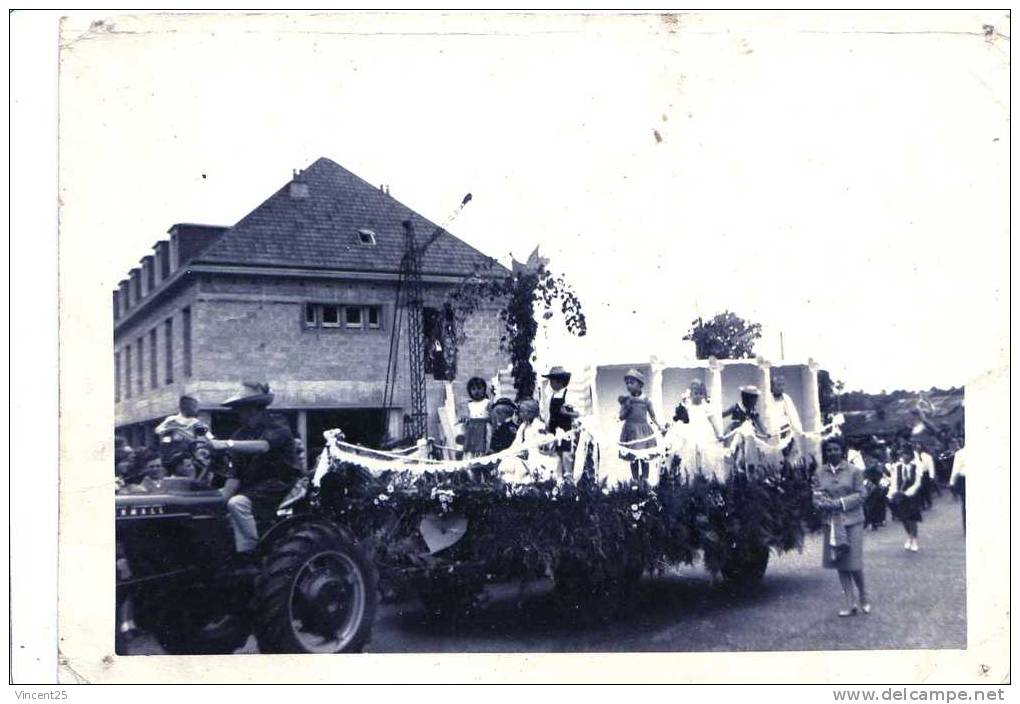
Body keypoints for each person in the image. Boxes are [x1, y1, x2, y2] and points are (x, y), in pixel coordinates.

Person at [209, 382, 301, 558]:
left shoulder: (277, 424)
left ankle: (253, 553)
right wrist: (215, 499)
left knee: (237, 504)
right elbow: (234, 478)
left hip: (282, 486)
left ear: (255, 408)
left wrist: (225, 444)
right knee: (219, 505)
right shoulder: (239, 435)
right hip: (254, 490)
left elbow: (263, 446)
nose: (239, 413)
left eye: (241, 408)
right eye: (238, 409)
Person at [812, 436, 870, 617]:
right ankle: (849, 602)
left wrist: (840, 503)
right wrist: (821, 503)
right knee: (840, 562)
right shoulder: (819, 473)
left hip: (852, 521)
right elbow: (816, 494)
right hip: (831, 522)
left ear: (842, 451)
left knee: (853, 562)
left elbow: (862, 494)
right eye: (829, 450)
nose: (832, 453)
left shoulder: (854, 471)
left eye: (836, 449)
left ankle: (864, 595)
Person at [666, 379, 725, 482]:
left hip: (704, 433)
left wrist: (718, 433)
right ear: (691, 394)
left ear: (703, 395)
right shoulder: (688, 407)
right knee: (690, 453)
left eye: (700, 393)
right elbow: (680, 420)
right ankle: (689, 478)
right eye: (696, 393)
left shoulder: (706, 407)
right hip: (691, 432)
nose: (698, 396)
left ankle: (707, 477)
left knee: (705, 454)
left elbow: (713, 421)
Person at [497, 399, 556, 484]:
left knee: (528, 466)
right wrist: (512, 451)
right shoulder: (523, 426)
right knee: (508, 461)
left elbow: (542, 441)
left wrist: (527, 449)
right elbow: (517, 442)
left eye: (521, 412)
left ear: (530, 413)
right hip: (524, 451)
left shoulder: (539, 425)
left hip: (536, 452)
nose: (520, 414)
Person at [618, 369, 661, 481]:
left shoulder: (646, 400)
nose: (628, 385)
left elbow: (652, 416)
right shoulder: (627, 400)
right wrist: (626, 407)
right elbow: (621, 417)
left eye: (631, 383)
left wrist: (659, 426)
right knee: (634, 457)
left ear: (640, 384)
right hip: (631, 431)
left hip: (643, 431)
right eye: (627, 383)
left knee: (644, 456)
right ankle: (635, 480)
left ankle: (645, 480)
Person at [543, 366, 580, 480]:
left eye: (552, 381)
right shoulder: (552, 396)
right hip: (555, 430)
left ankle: (569, 479)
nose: (551, 384)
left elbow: (577, 413)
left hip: (566, 430)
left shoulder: (568, 394)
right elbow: (550, 414)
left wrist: (566, 413)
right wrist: (547, 426)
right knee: (557, 457)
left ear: (559, 381)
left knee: (566, 455)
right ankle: (559, 480)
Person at [889, 444, 924, 551]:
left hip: (912, 496)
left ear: (911, 456)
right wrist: (892, 493)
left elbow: (917, 483)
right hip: (900, 496)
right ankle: (909, 536)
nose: (904, 457)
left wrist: (907, 493)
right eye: (903, 454)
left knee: (912, 518)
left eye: (907, 454)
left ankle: (915, 539)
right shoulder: (897, 467)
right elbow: (894, 481)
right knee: (904, 518)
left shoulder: (916, 466)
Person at [764, 373, 804, 452]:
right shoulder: (767, 399)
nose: (781, 388)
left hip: (786, 431)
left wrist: (799, 430)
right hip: (773, 433)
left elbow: (793, 415)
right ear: (772, 386)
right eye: (778, 385)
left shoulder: (786, 398)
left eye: (782, 385)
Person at [460, 377, 491, 460]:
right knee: (470, 447)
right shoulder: (470, 404)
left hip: (483, 428)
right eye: (473, 389)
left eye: (479, 388)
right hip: (472, 429)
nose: (476, 391)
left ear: (484, 389)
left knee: (483, 447)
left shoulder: (487, 402)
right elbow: (467, 416)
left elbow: (491, 416)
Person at [948, 442, 966, 534]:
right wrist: (952, 482)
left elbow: (956, 470)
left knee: (965, 505)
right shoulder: (959, 453)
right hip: (964, 480)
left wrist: (952, 483)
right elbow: (956, 469)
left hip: (965, 479)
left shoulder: (960, 453)